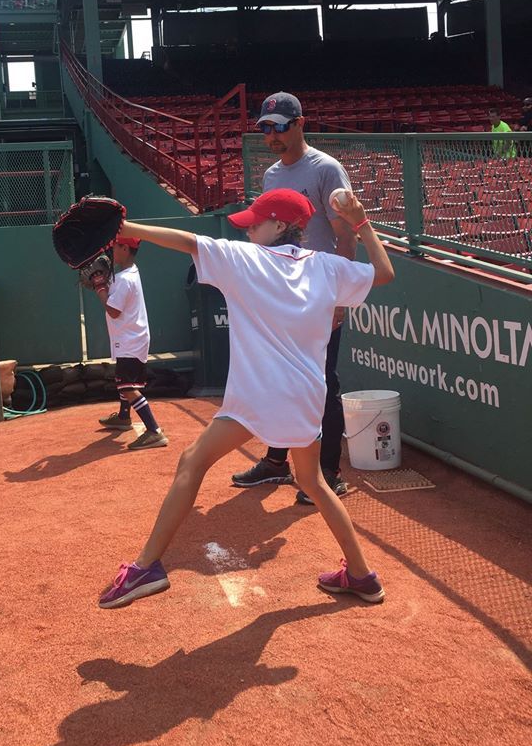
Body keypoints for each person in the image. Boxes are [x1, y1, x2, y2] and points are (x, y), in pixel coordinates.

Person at [98, 187, 394, 609]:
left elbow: (185, 241)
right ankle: (363, 576)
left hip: (258, 395)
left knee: (192, 461)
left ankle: (147, 567)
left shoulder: (244, 259)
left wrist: (125, 228)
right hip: (308, 397)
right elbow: (383, 273)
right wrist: (362, 223)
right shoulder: (328, 267)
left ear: (281, 225)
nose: (249, 226)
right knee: (311, 481)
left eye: (257, 221)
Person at [231, 91, 358, 505]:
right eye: (265, 129)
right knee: (279, 379)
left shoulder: (327, 169)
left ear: (300, 123)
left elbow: (346, 235)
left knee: (323, 383)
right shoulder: (270, 176)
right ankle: (274, 462)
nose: (271, 137)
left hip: (318, 296)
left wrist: (339, 298)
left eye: (279, 128)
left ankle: (326, 473)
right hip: (281, 295)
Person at [94, 237, 168, 450]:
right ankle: (124, 417)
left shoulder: (126, 279)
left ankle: (154, 431)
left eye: (115, 247)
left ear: (125, 248)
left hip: (131, 339)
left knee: (126, 387)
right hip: (130, 337)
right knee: (123, 380)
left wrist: (99, 288)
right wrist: (103, 283)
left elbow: (113, 311)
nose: (111, 251)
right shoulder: (126, 274)